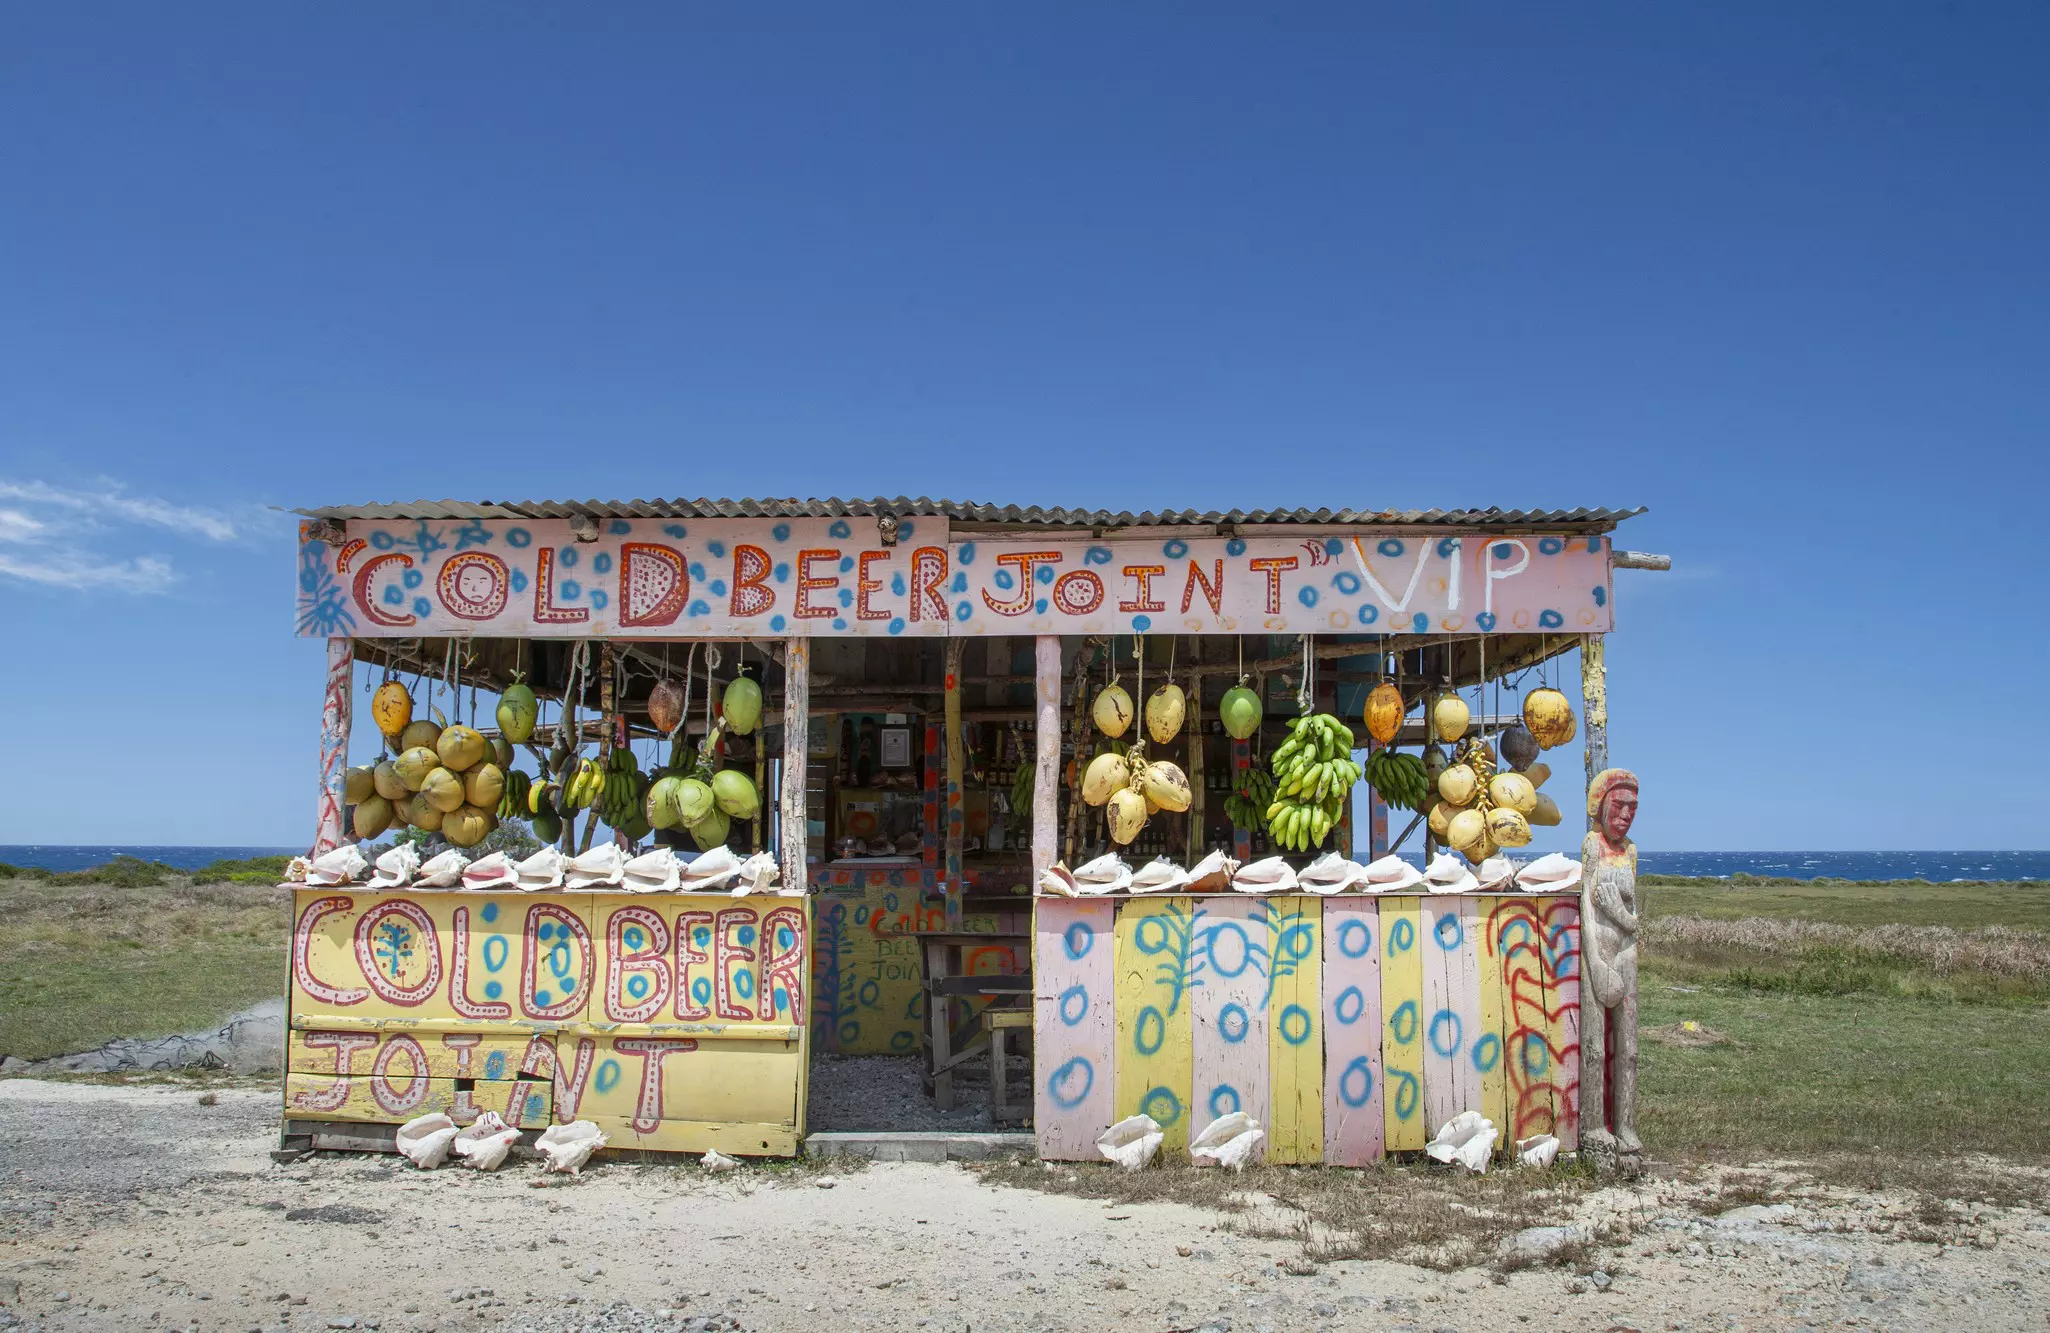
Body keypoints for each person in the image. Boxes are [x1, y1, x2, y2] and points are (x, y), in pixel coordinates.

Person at [1579, 767, 1641, 1171]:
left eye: (1632, 808)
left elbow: (1632, 917)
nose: (1625, 815)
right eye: (1618, 805)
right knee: (1595, 1046)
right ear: (1601, 806)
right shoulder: (1591, 846)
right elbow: (1586, 902)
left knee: (1629, 1048)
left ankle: (1627, 1126)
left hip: (1626, 952)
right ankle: (1592, 1125)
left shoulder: (1631, 851)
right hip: (1596, 954)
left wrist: (1618, 909)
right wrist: (1596, 961)